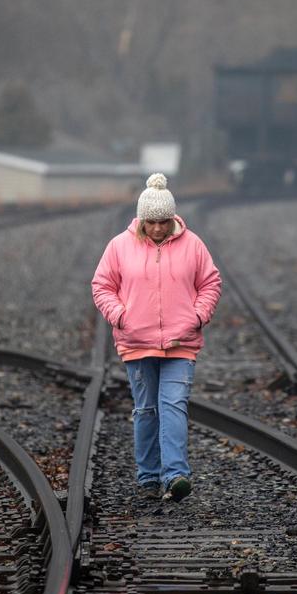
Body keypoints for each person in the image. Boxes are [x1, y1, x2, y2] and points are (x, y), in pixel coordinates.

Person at [91, 173, 222, 502]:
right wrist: (121, 316)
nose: (159, 229)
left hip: (181, 344)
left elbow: (210, 283)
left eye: (164, 221)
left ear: (172, 217)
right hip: (136, 344)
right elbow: (102, 286)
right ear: (141, 220)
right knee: (146, 410)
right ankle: (148, 476)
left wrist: (197, 316)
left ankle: (176, 475)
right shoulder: (119, 247)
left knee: (174, 406)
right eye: (152, 223)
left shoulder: (193, 245)